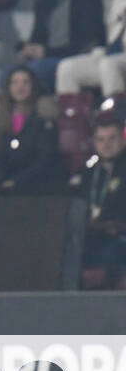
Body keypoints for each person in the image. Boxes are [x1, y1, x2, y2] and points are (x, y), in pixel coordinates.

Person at [10, 0, 104, 92]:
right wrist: (29, 49)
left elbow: (87, 42)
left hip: (74, 56)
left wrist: (47, 52)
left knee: (38, 70)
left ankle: (48, 106)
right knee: (8, 74)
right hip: (46, 56)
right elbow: (37, 35)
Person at [0, 66, 62, 191]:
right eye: (15, 82)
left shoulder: (44, 117)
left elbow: (45, 158)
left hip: (37, 187)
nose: (20, 87)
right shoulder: (0, 119)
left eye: (25, 82)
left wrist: (17, 181)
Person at [55, 0, 126, 100]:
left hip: (118, 59)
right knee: (67, 68)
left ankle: (116, 114)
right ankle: (73, 115)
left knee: (108, 64)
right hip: (111, 55)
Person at [79, 117, 126, 289]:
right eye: (101, 139)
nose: (106, 145)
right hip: (91, 235)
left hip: (118, 237)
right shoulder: (90, 173)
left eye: (112, 138)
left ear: (122, 138)